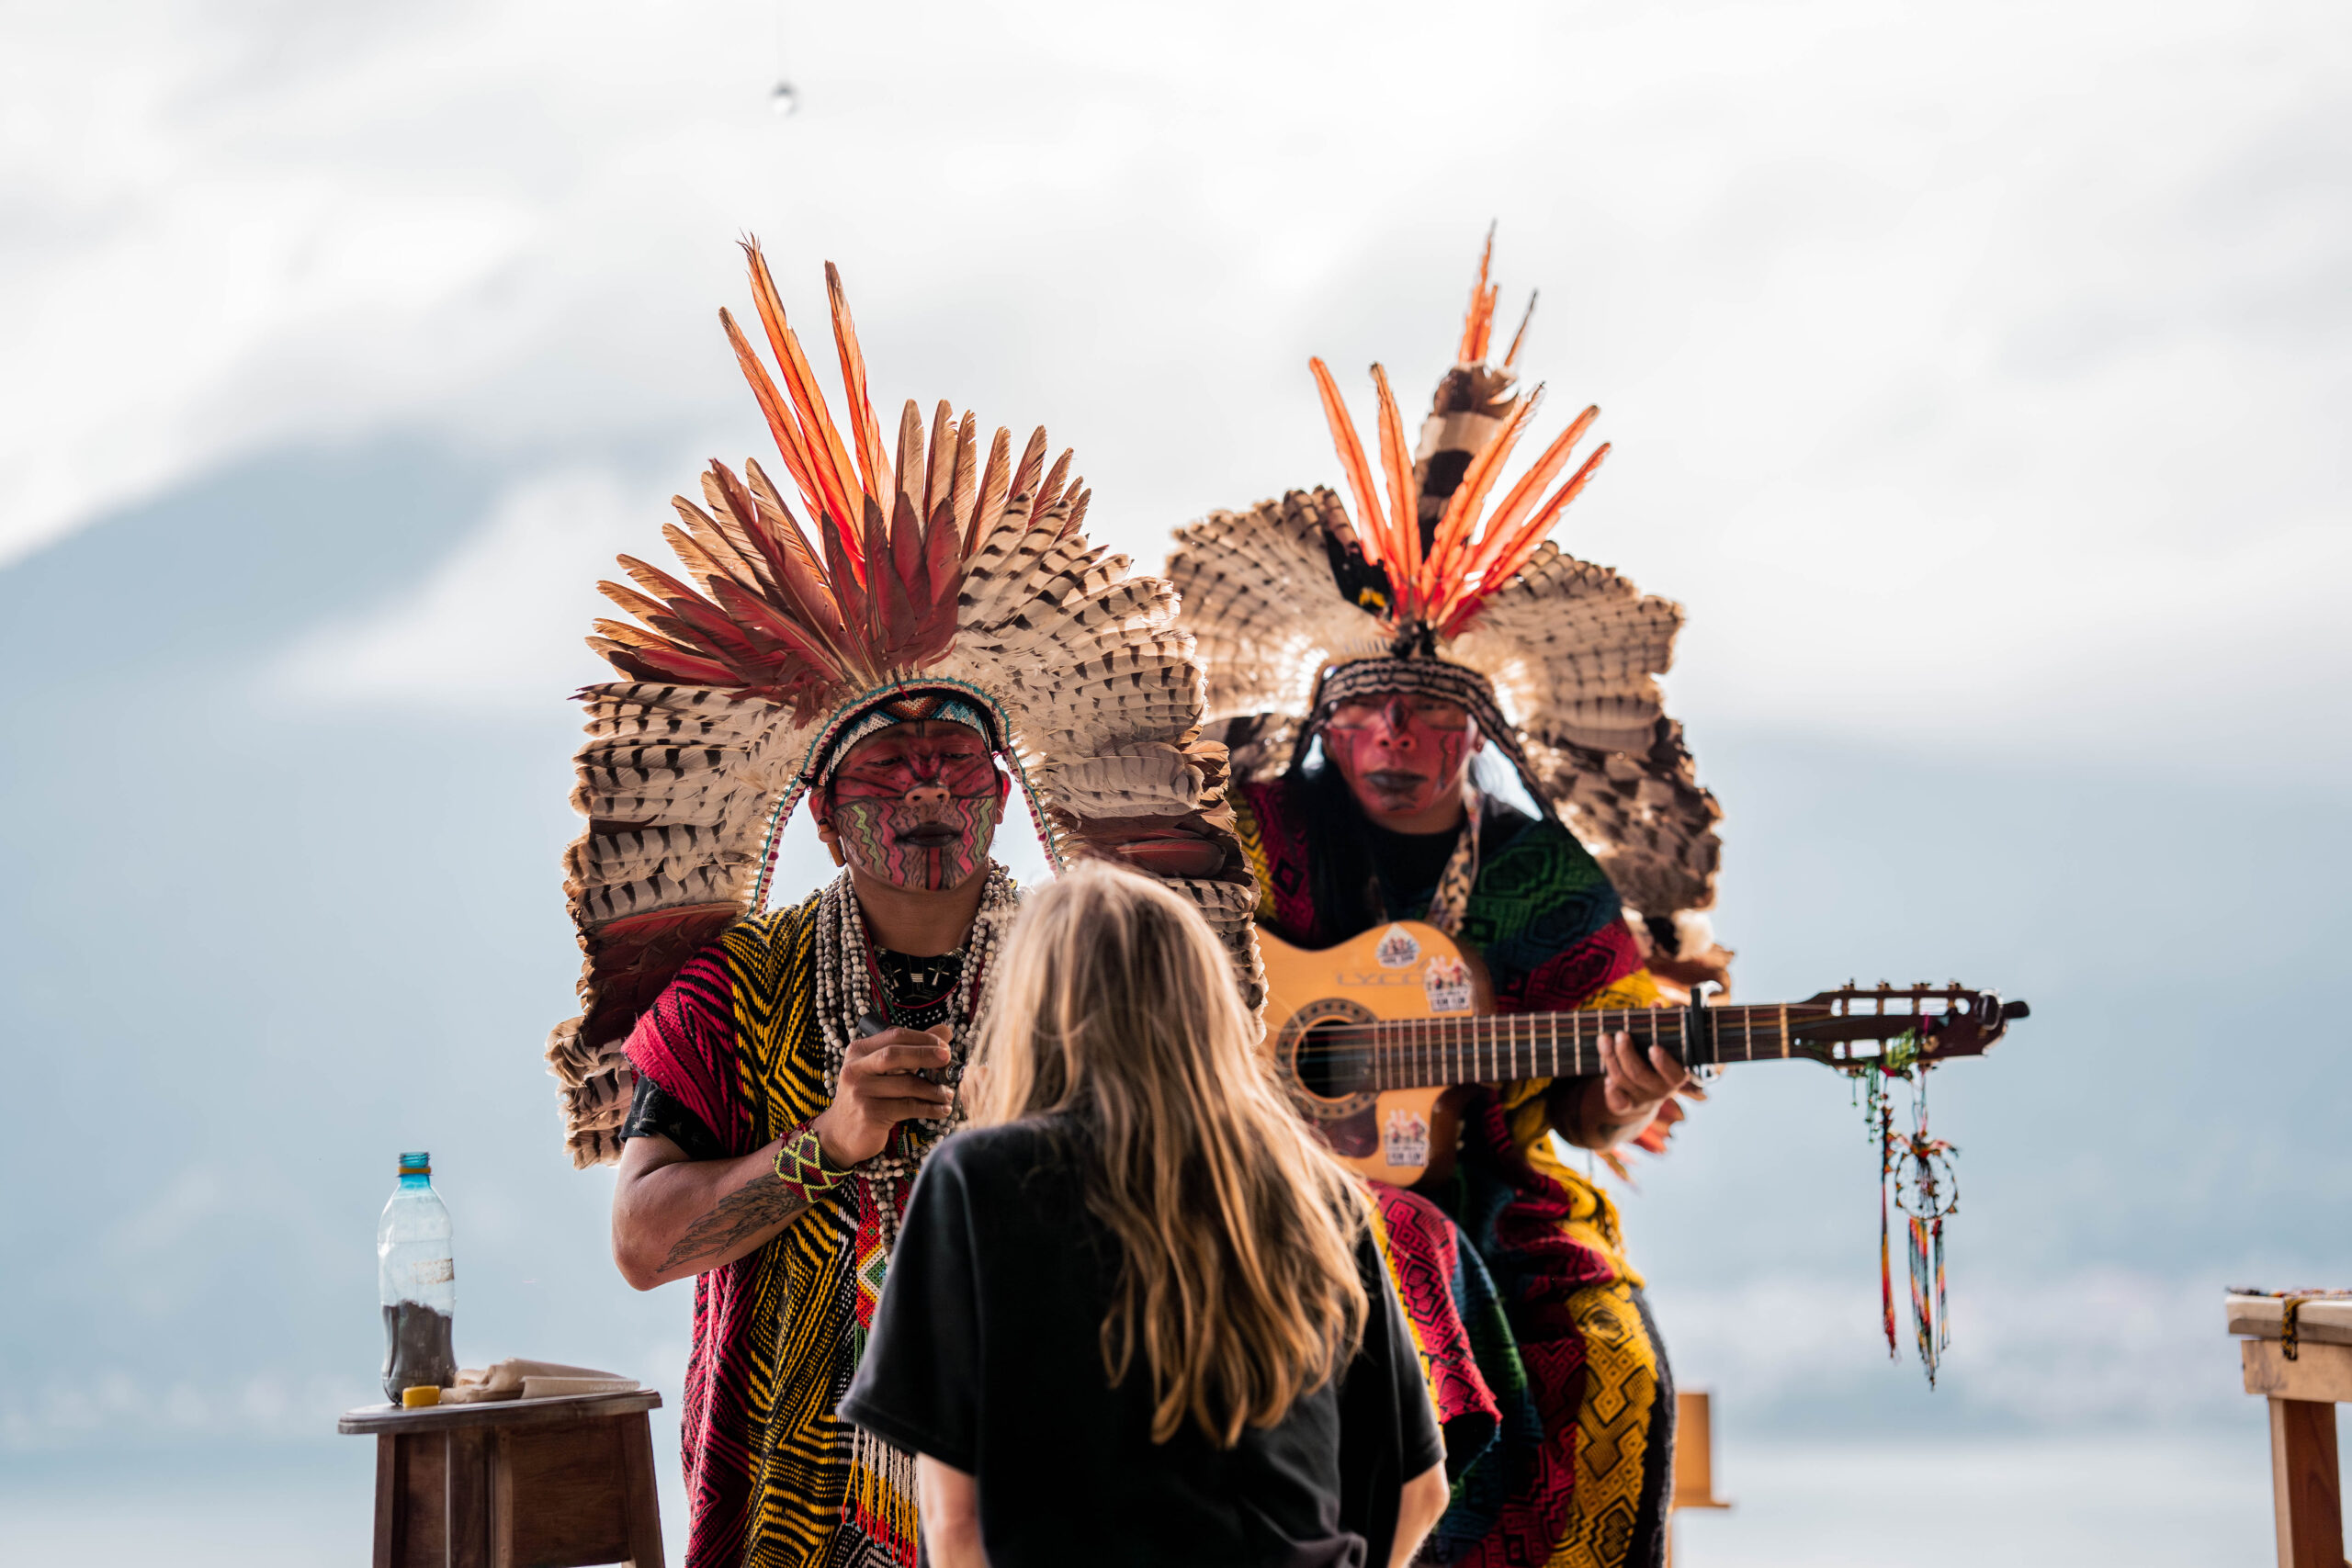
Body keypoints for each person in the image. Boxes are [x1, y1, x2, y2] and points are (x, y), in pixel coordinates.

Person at [541, 243, 1249, 1568]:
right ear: (822, 809)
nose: (926, 777)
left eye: (955, 755)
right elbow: (642, 1242)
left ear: (1000, 788)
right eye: (885, 759)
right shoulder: (731, 989)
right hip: (800, 1497)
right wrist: (830, 1137)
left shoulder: (1089, 967)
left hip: (1054, 1470)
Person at [1165, 237, 1731, 1568]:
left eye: (1425, 709)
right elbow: (1151, 974)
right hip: (1246, 1189)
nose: (1393, 734)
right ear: (1326, 721)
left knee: (1606, 1352)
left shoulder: (1537, 869)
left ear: (1477, 733)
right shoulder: (1257, 833)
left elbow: (1589, 1092)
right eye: (1365, 707)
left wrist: (1629, 1084)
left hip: (1484, 1194)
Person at [842, 861, 1451, 1568]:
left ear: (1036, 1011)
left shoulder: (977, 1180)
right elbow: (1420, 1492)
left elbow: (954, 1526)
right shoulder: (1319, 1193)